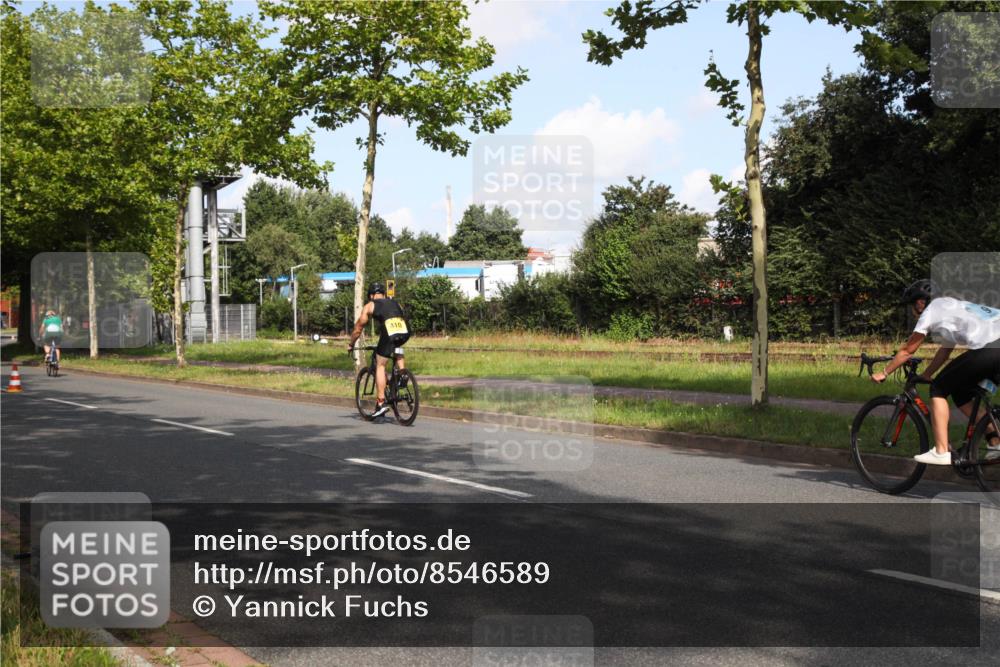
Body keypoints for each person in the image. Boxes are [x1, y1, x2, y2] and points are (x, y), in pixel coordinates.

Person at [872, 279, 1000, 464]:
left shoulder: (931, 310)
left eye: (912, 306)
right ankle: (995, 442)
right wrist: (927, 374)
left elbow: (908, 350)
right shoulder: (952, 306)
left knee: (938, 389)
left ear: (920, 302)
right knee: (961, 395)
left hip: (992, 349)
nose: (912, 311)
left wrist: (884, 372)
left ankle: (941, 451)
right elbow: (946, 348)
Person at [348, 283, 411, 418]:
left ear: (371, 295)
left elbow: (358, 328)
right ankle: (402, 374)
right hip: (405, 330)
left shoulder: (370, 305)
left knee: (380, 364)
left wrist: (351, 344)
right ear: (383, 293)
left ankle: (381, 403)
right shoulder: (395, 302)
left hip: (389, 331)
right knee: (397, 344)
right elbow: (402, 316)